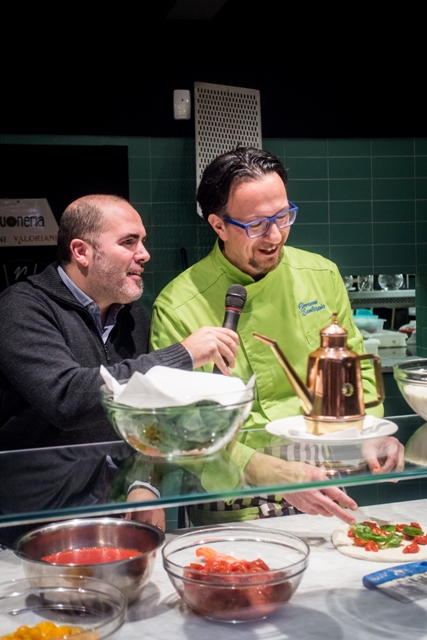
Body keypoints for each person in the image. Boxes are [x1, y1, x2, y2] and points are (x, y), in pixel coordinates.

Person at [150, 147, 404, 526]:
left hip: (323, 474)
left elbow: (357, 372)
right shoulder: (177, 305)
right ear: (218, 225)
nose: (275, 235)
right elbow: (180, 426)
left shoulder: (321, 275)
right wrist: (269, 472)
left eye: (283, 216)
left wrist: (369, 431)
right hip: (233, 488)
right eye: (256, 224)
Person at [0, 194, 239, 536]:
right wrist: (182, 355)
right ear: (81, 251)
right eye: (129, 242)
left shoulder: (133, 318)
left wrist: (144, 482)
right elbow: (67, 399)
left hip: (111, 516)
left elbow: (145, 420)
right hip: (29, 525)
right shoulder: (21, 308)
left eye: (143, 241)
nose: (144, 254)